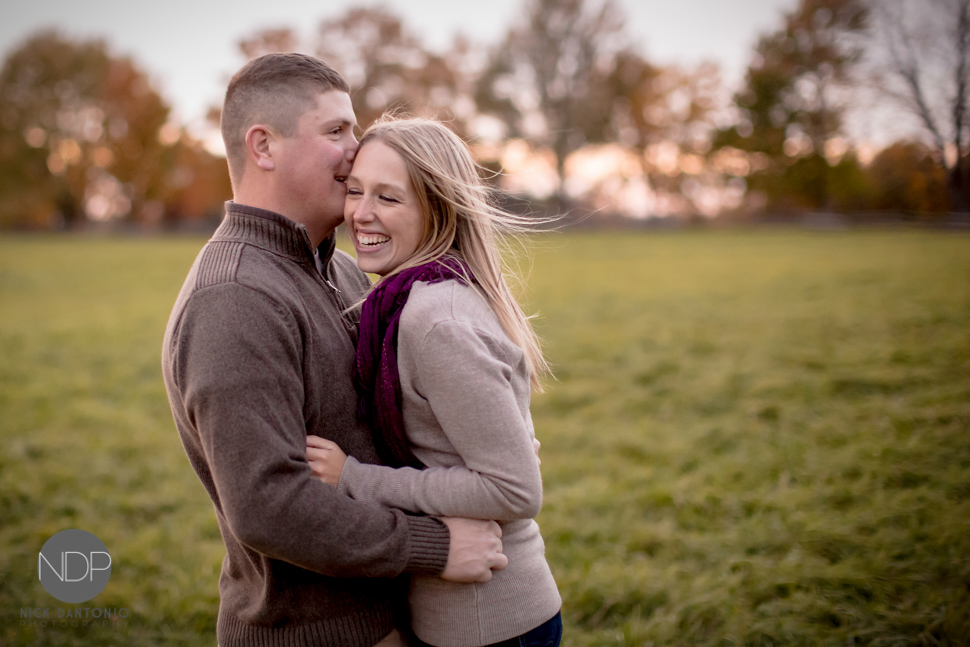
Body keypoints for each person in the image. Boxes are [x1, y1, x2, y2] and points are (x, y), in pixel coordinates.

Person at [161, 53, 507, 647]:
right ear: (263, 147)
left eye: (355, 126)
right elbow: (270, 504)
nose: (358, 146)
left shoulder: (342, 272)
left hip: (391, 619)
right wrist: (435, 545)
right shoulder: (235, 298)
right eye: (336, 130)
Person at [305, 116, 563, 647]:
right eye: (355, 191)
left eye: (389, 198)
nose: (361, 213)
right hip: (459, 615)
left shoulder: (434, 318)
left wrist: (354, 479)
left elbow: (514, 488)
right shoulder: (406, 302)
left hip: (490, 622)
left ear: (436, 209)